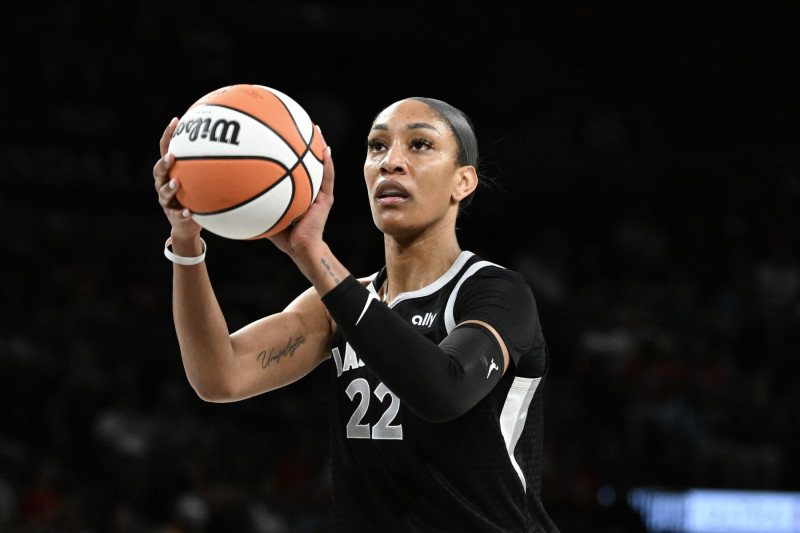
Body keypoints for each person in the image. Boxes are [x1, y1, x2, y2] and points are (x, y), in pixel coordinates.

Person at [153, 96, 559, 532]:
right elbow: (219, 376)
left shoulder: (495, 292)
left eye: (420, 144)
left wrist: (313, 255)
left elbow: (445, 390)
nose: (391, 162)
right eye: (377, 146)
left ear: (463, 182)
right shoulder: (339, 306)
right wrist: (186, 242)